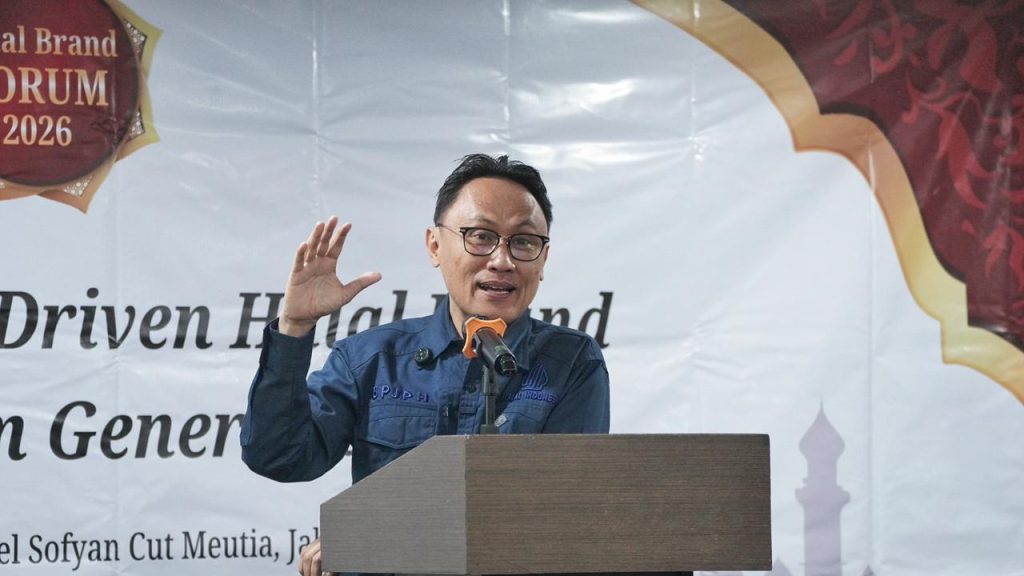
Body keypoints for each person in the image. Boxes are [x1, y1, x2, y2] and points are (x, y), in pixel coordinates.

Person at [240, 154, 610, 575]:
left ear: (543, 261)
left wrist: (370, 536)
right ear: (435, 246)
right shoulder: (372, 359)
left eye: (524, 242)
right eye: (481, 236)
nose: (502, 260)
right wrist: (294, 327)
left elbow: (560, 514)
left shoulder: (572, 363)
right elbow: (279, 457)